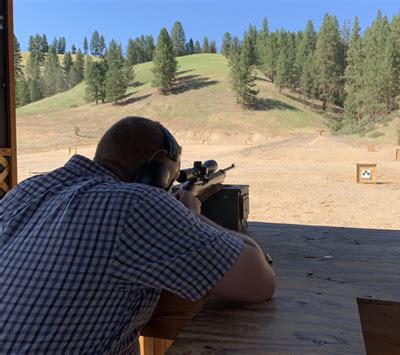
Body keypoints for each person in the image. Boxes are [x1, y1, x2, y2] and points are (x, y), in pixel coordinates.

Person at [0, 116, 276, 354]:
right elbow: (259, 283)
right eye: (171, 176)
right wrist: (192, 216)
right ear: (155, 165)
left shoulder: (27, 190)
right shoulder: (137, 203)